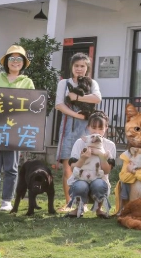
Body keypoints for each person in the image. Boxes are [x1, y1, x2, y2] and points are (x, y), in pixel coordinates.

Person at [0, 45, 35, 213]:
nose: (15, 62)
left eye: (19, 59)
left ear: (24, 63)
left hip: (14, 130)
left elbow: (32, 105)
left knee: (11, 168)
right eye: (12, 58)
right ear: (6, 62)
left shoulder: (27, 82)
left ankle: (6, 200)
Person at [55, 52, 102, 211]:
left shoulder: (92, 83)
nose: (79, 69)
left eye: (83, 66)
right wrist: (77, 114)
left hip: (86, 128)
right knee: (68, 164)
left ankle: (84, 202)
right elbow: (59, 105)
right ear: (71, 67)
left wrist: (76, 98)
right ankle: (69, 202)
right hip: (68, 127)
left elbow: (97, 98)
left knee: (87, 164)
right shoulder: (64, 83)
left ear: (87, 68)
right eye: (76, 66)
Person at [65, 111, 116, 218]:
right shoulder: (80, 142)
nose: (96, 131)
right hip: (80, 178)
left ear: (106, 128)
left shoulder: (110, 145)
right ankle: (79, 208)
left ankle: (99, 209)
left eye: (100, 128)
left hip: (99, 179)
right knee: (80, 185)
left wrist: (100, 154)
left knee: (99, 184)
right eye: (93, 127)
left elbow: (107, 171)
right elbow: (73, 167)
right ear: (88, 127)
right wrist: (83, 158)